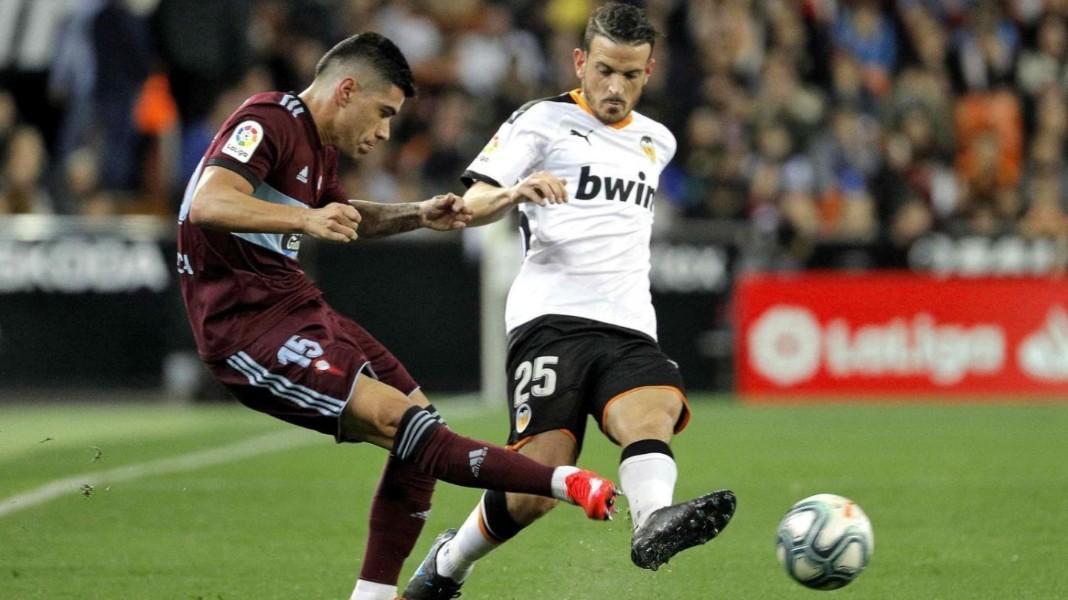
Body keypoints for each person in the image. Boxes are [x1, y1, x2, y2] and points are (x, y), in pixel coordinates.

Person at [175, 32, 618, 600]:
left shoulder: (317, 145)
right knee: (414, 432)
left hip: (297, 307)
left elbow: (347, 215)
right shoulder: (268, 119)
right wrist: (305, 223)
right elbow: (207, 202)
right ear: (347, 89)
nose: (384, 132)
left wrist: (418, 214)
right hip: (246, 329)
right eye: (382, 113)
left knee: (417, 436)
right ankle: (567, 482)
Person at [403, 5, 736, 598]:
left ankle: (651, 520)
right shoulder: (541, 122)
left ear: (649, 72)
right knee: (534, 486)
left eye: (631, 76)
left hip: (630, 320)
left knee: (654, 407)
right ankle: (450, 562)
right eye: (605, 70)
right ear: (580, 61)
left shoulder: (658, 141)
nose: (615, 87)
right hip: (551, 320)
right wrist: (514, 192)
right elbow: (469, 206)